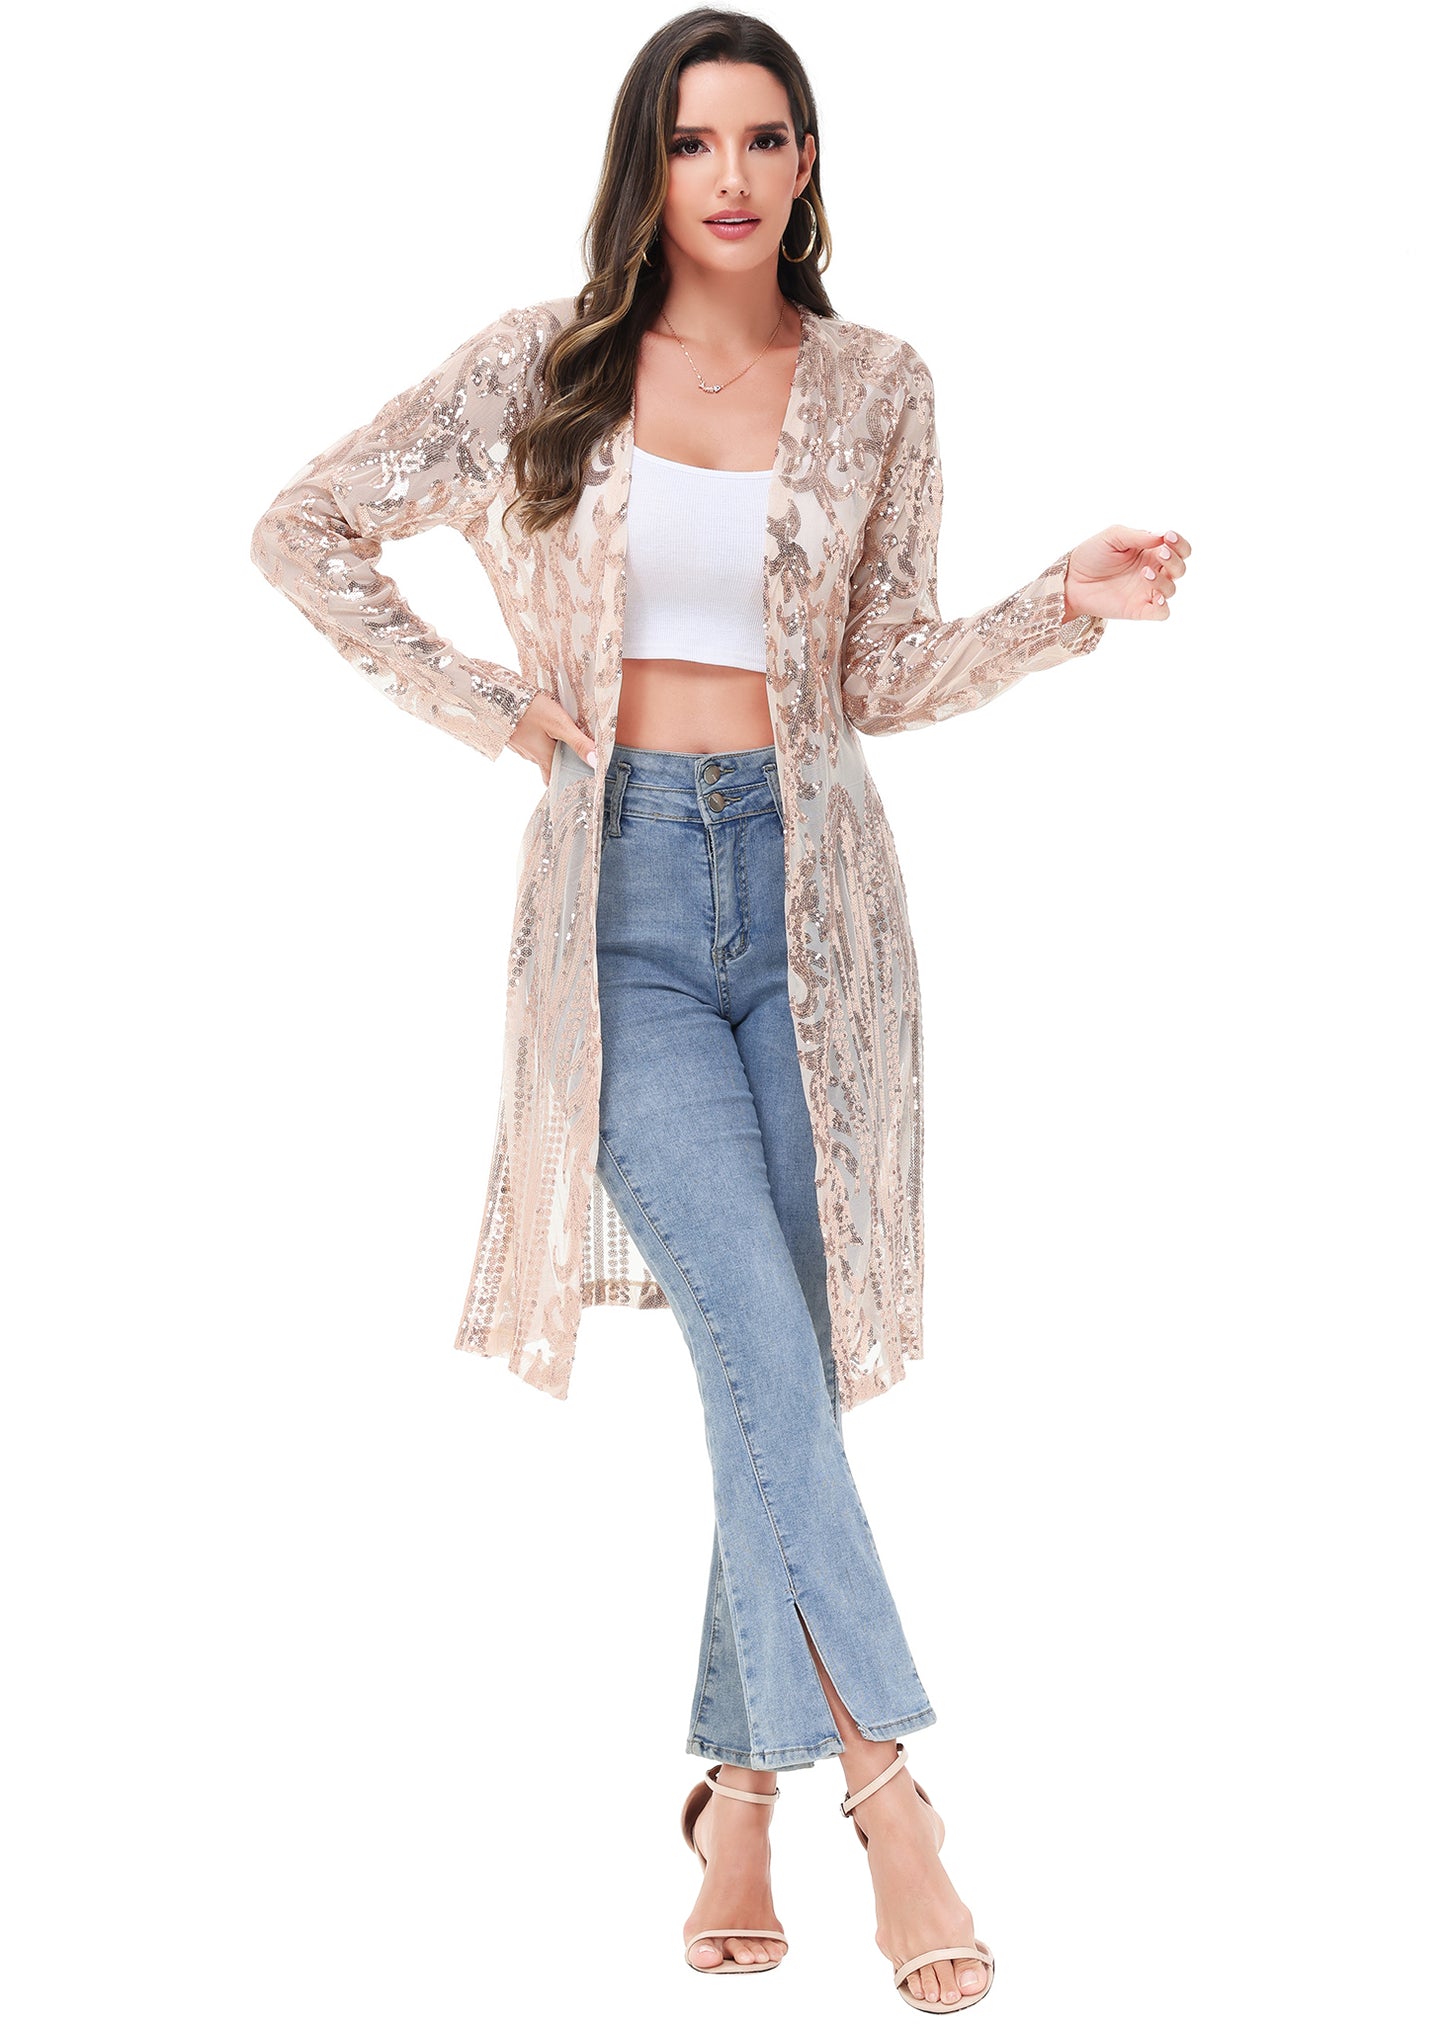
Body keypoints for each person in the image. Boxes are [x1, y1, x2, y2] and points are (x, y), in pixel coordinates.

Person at [250, 10, 1188, 2012]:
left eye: (767, 138)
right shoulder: (541, 365)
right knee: (759, 1337)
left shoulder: (877, 384)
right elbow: (302, 528)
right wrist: (486, 706)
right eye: (695, 142)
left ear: (809, 163)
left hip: (818, 913)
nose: (733, 176)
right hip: (622, 911)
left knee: (781, 1368)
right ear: (647, 167)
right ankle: (890, 1795)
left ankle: (731, 1799)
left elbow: (883, 671)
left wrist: (1062, 604)